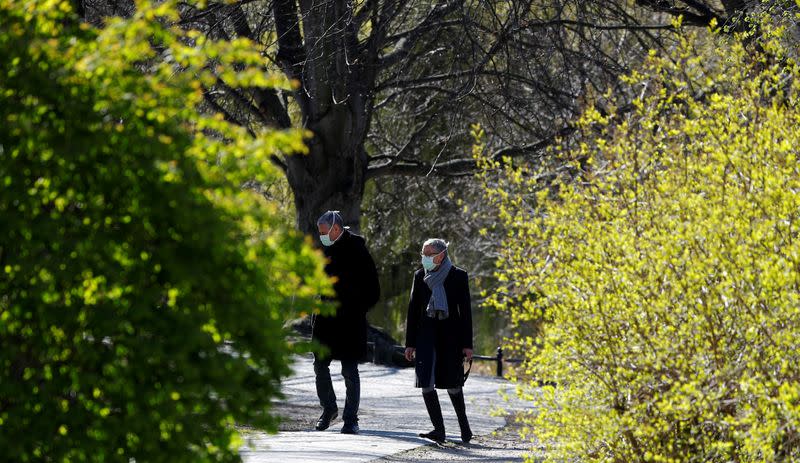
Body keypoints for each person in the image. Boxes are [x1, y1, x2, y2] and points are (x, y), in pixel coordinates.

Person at [312, 210, 380, 435]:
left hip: (350, 320)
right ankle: (329, 409)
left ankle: (351, 419)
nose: (321, 236)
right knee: (320, 365)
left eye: (324, 232)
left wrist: (357, 308)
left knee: (349, 369)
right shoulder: (324, 248)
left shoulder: (358, 249)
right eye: (320, 232)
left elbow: (373, 289)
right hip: (325, 318)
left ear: (336, 229)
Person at [404, 238, 474, 444]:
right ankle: (439, 430)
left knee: (453, 384)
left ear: (441, 255)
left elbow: (466, 312)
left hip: (451, 339)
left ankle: (464, 428)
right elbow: (413, 310)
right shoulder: (419, 276)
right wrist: (410, 343)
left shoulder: (458, 276)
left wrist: (467, 345)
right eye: (423, 254)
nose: (424, 259)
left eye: (428, 255)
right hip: (425, 338)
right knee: (426, 382)